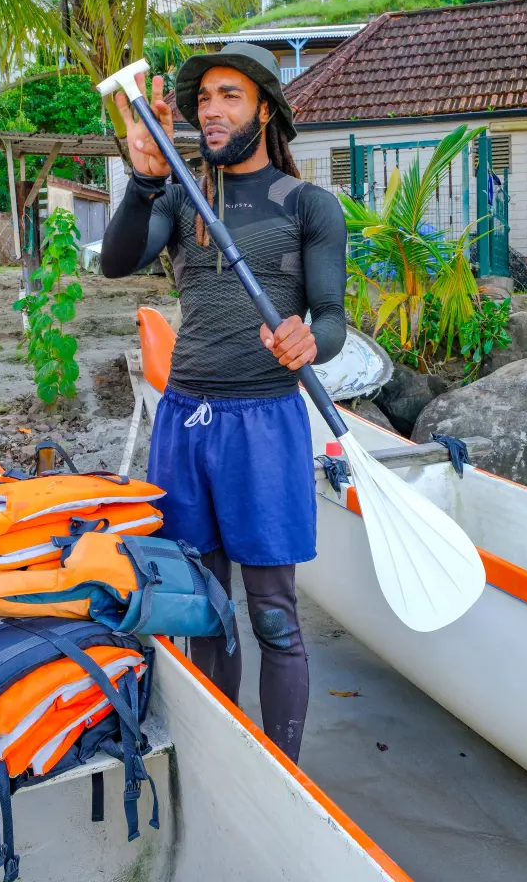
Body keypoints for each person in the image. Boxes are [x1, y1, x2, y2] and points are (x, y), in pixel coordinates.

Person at [101, 43, 346, 763]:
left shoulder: (307, 205)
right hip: (185, 424)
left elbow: (330, 318)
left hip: (265, 424)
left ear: (264, 109)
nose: (211, 110)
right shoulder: (181, 195)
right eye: (203, 98)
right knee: (204, 610)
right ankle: (220, 759)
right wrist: (144, 181)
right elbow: (118, 261)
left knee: (272, 615)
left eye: (229, 95)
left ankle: (284, 774)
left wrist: (310, 339)